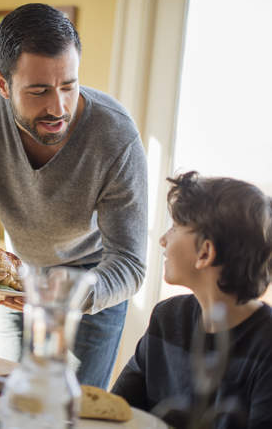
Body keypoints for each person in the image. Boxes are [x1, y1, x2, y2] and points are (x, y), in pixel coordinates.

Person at [0, 3, 147, 389]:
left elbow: (130, 263)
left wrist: (66, 296)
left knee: (71, 410)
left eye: (69, 85)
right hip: (16, 279)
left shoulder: (114, 135)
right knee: (5, 397)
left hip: (91, 289)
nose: (58, 107)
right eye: (38, 91)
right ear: (2, 84)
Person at [112, 171, 272, 429]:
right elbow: (115, 411)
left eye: (175, 227)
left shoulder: (266, 346)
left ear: (205, 253)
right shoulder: (166, 317)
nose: (163, 239)